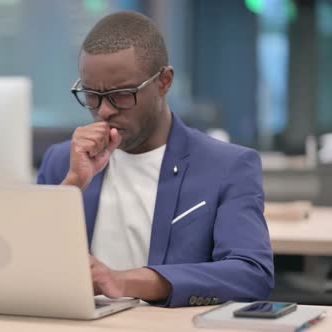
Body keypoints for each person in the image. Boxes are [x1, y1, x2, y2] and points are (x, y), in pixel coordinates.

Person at [37, 11, 274, 308]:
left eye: (120, 95)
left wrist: (122, 281)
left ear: (164, 82)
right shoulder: (62, 162)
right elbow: (24, 265)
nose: (104, 111)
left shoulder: (227, 166)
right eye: (91, 95)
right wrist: (73, 184)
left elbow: (251, 274)